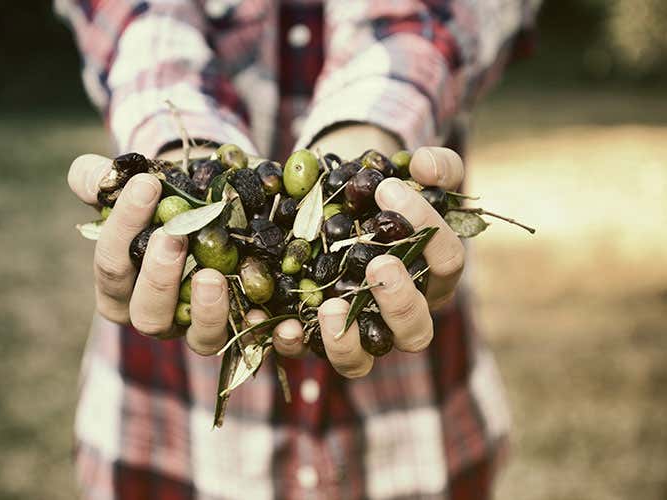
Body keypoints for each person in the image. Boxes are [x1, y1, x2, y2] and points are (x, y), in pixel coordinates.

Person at [58, 0, 540, 498]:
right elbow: (138, 20)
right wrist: (179, 156)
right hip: (171, 438)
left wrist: (367, 138)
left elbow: (439, 19)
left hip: (412, 441)